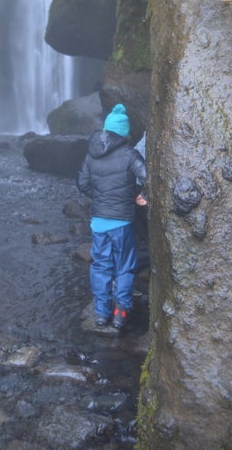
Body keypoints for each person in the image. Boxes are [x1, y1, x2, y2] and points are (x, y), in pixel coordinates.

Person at [76, 103, 147, 330]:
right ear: (124, 132)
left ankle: (101, 313)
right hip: (122, 221)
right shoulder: (129, 154)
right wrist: (141, 195)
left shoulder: (91, 155)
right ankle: (120, 311)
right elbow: (147, 176)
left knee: (100, 266)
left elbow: (82, 184)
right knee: (125, 266)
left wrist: (100, 197)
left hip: (99, 222)